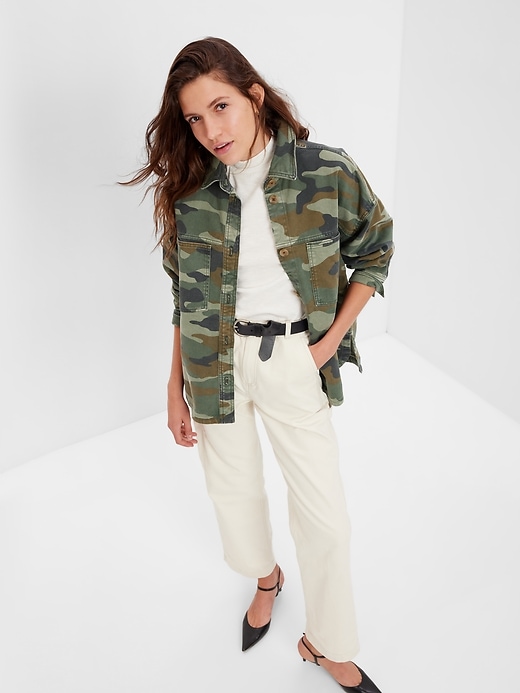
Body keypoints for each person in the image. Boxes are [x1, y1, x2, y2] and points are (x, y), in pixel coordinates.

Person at [123, 36, 393, 692]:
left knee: (326, 517)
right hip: (213, 361)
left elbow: (375, 249)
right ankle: (266, 578)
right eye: (193, 118)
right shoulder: (192, 190)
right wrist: (174, 386)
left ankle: (327, 643)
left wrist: (326, 344)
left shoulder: (324, 170)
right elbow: (183, 295)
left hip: (295, 354)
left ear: (254, 95)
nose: (210, 131)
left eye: (220, 107)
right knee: (234, 496)